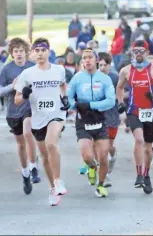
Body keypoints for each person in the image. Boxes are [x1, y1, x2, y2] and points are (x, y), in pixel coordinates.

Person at [15, 37, 68, 206]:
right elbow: (17, 100)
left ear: (48, 51)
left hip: (56, 114)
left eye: (43, 50)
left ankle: (58, 180)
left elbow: (62, 85)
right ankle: (53, 187)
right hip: (38, 118)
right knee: (44, 156)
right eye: (36, 51)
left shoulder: (59, 70)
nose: (40, 54)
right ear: (33, 53)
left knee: (51, 144)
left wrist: (64, 98)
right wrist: (24, 94)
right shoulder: (27, 74)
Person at [116, 40, 153, 195]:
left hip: (151, 112)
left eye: (141, 51)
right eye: (136, 51)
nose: (138, 54)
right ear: (132, 53)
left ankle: (146, 175)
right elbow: (119, 87)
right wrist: (120, 102)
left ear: (147, 53)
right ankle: (139, 174)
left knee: (147, 147)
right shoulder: (126, 70)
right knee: (138, 140)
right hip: (134, 111)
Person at [0, 37, 40, 194]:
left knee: (28, 133)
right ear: (12, 54)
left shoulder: (33, 67)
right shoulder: (7, 70)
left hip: (30, 107)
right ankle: (25, 173)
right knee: (20, 145)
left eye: (21, 51)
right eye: (15, 51)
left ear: (26, 52)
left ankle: (34, 167)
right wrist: (11, 86)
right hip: (13, 111)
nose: (19, 54)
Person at [68, 49, 115, 197]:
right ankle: (92, 167)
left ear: (96, 60)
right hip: (83, 121)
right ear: (82, 61)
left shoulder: (105, 79)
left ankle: (100, 186)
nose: (87, 60)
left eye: (90, 57)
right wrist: (73, 105)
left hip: (99, 120)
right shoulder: (77, 78)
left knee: (104, 156)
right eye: (84, 58)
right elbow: (68, 98)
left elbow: (111, 101)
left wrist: (91, 105)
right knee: (87, 156)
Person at [97, 52, 120, 187]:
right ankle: (105, 177)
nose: (102, 68)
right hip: (98, 118)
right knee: (101, 148)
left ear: (109, 65)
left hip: (112, 116)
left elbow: (122, 93)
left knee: (109, 147)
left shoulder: (115, 77)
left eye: (105, 65)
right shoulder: (93, 77)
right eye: (100, 65)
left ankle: (113, 155)